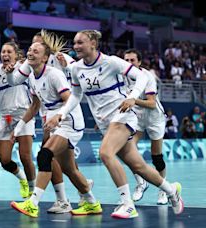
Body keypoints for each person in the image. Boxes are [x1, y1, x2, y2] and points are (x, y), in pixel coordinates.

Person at [61, 30, 183, 218]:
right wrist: (61, 114)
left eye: (80, 42)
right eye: (75, 43)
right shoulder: (76, 69)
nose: (76, 46)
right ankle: (171, 190)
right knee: (138, 166)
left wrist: (133, 97)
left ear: (93, 43)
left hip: (123, 116)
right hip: (105, 123)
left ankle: (127, 204)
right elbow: (76, 95)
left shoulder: (110, 62)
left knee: (105, 153)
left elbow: (142, 77)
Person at [9, 42, 102, 218]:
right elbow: (35, 105)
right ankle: (91, 202)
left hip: (69, 120)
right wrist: (20, 126)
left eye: (36, 51)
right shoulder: (31, 77)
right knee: (69, 169)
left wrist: (58, 116)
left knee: (45, 155)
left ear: (45, 58)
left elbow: (70, 99)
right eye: (29, 50)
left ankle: (33, 203)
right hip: (55, 122)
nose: (30, 53)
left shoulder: (55, 75)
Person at [0, 42, 36, 199]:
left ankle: (33, 192)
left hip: (23, 116)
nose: (5, 54)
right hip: (5, 118)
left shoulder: (24, 68)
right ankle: (23, 180)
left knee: (25, 157)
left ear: (16, 54)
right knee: (4, 160)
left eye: (9, 51)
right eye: (3, 51)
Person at [123, 49, 169, 205]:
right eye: (126, 60)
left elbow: (150, 103)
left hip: (154, 118)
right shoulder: (122, 76)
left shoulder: (148, 77)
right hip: (137, 117)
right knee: (128, 149)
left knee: (156, 156)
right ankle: (141, 183)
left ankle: (163, 189)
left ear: (139, 62)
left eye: (132, 60)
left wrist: (133, 100)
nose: (129, 64)